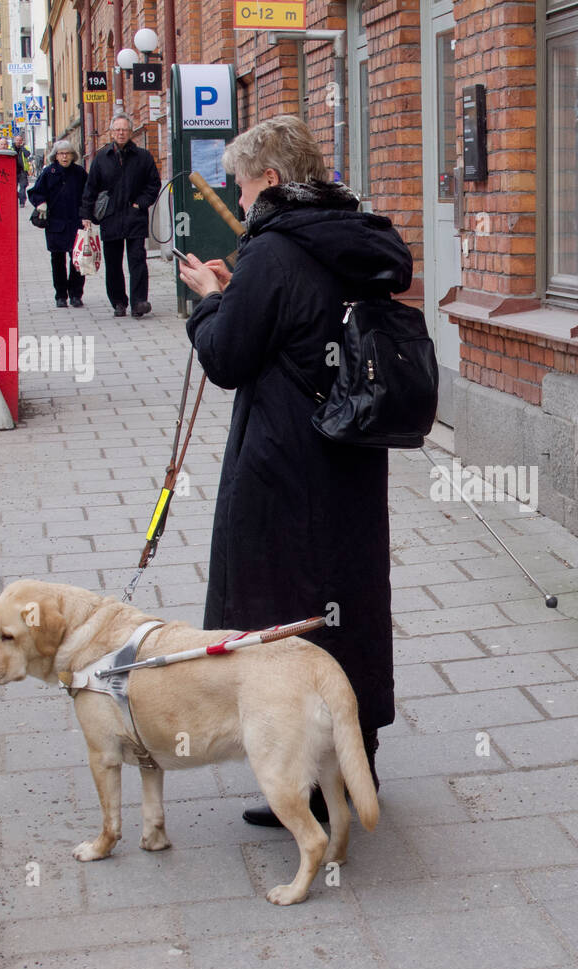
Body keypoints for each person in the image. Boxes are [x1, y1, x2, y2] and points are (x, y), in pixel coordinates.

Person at [178, 115, 408, 828]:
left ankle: (306, 785)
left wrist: (210, 300)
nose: (241, 205)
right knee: (350, 594)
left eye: (244, 190)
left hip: (283, 461)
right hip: (349, 453)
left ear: (271, 181)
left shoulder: (271, 252)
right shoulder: (353, 232)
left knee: (285, 610)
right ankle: (357, 752)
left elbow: (225, 357)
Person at [80, 115, 161, 318]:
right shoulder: (102, 157)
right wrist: (86, 214)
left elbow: (153, 184)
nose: (121, 133)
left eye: (124, 129)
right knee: (114, 264)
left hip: (135, 216)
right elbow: (90, 188)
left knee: (137, 260)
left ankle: (139, 302)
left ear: (130, 132)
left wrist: (140, 203)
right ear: (111, 132)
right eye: (117, 130)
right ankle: (118, 302)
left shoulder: (143, 156)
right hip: (111, 217)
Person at [27, 140, 89, 308]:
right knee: (57, 260)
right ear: (55, 156)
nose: (64, 156)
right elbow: (35, 192)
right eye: (61, 153)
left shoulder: (79, 173)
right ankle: (60, 295)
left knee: (77, 260)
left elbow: (87, 195)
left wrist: (86, 215)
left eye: (67, 153)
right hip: (55, 223)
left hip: (75, 222)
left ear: (72, 156)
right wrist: (41, 203)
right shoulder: (48, 172)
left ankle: (76, 294)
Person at [13, 133, 32, 206]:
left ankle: (22, 201)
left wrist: (22, 147)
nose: (18, 141)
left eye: (20, 140)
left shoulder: (25, 148)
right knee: (13, 187)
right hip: (13, 171)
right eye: (17, 140)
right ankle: (18, 197)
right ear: (15, 140)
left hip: (22, 170)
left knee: (23, 187)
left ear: (22, 141)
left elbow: (27, 154)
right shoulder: (11, 147)